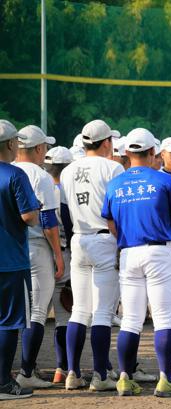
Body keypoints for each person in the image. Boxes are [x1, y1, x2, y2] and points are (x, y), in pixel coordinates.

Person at [101, 128, 171, 397]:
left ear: (127, 153)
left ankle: (124, 378)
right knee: (164, 319)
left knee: (130, 320)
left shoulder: (115, 183)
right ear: (153, 153)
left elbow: (110, 222)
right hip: (160, 252)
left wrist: (126, 238)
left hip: (129, 253)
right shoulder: (165, 181)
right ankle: (165, 379)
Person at [60, 119, 124, 391]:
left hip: (78, 239)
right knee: (101, 313)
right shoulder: (113, 167)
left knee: (79, 311)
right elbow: (119, 209)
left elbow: (63, 212)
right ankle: (99, 374)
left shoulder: (67, 170)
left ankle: (72, 373)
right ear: (107, 142)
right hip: (104, 239)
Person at [12, 125, 64, 389]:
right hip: (35, 247)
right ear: (39, 149)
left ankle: (8, 371)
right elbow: (47, 220)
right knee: (37, 311)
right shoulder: (40, 176)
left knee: (10, 312)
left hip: (9, 247)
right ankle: (27, 371)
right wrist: (57, 253)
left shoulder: (7, 170)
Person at [0, 120, 40, 400]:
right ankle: (3, 382)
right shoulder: (15, 175)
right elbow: (30, 216)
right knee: (10, 322)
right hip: (11, 261)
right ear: (12, 144)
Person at [42, 146, 74, 385]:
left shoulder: (39, 188)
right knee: (66, 316)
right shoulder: (66, 192)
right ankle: (63, 368)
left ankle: (26, 369)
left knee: (33, 316)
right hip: (66, 254)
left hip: (40, 256)